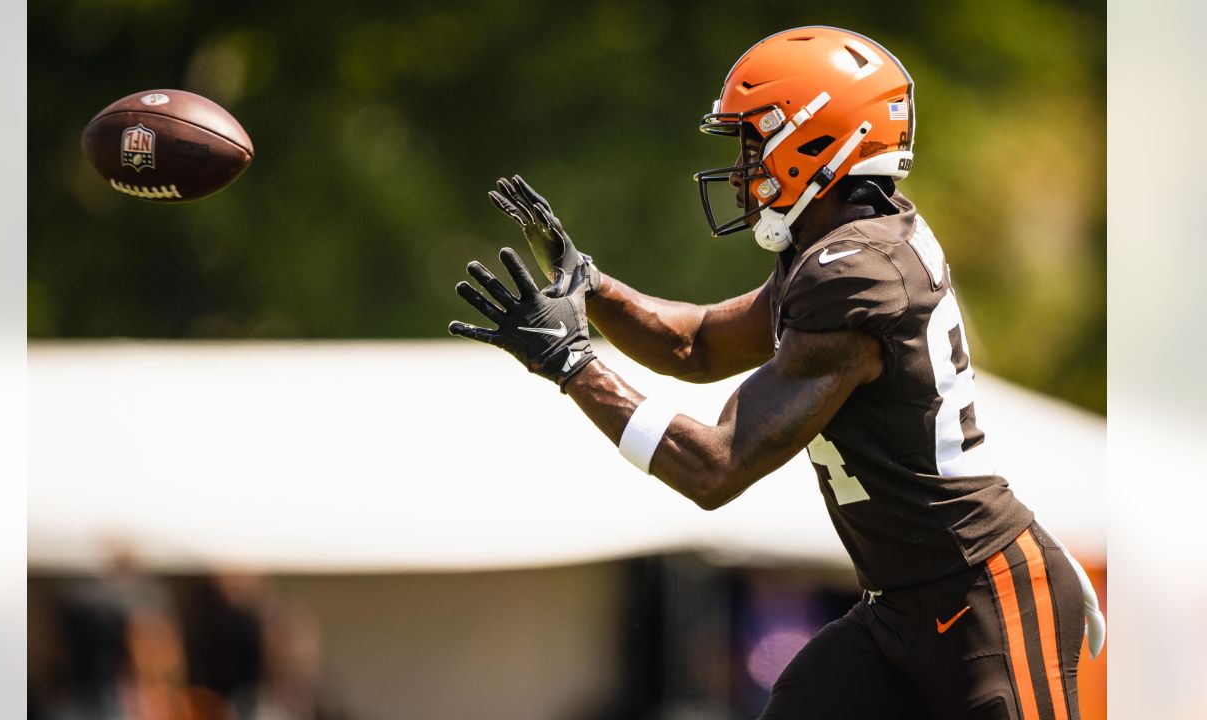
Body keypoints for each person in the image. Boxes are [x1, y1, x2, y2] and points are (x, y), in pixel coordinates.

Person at [448, 25, 1103, 719]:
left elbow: (714, 468)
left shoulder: (857, 273)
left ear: (816, 139)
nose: (740, 169)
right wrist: (592, 284)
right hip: (903, 609)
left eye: (752, 142)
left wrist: (572, 365)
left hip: (985, 599)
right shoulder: (840, 245)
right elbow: (695, 347)